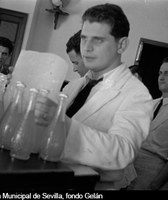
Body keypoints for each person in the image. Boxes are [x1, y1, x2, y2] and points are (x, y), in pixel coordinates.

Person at [34, 3, 154, 190]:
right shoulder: (75, 85)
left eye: (98, 40)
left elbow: (122, 152)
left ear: (121, 45)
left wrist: (62, 125)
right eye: (84, 39)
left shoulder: (136, 94)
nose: (87, 48)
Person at [128, 57, 168, 190]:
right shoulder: (151, 103)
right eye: (160, 73)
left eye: (167, 73)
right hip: (130, 168)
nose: (161, 77)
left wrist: (156, 184)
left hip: (154, 172)